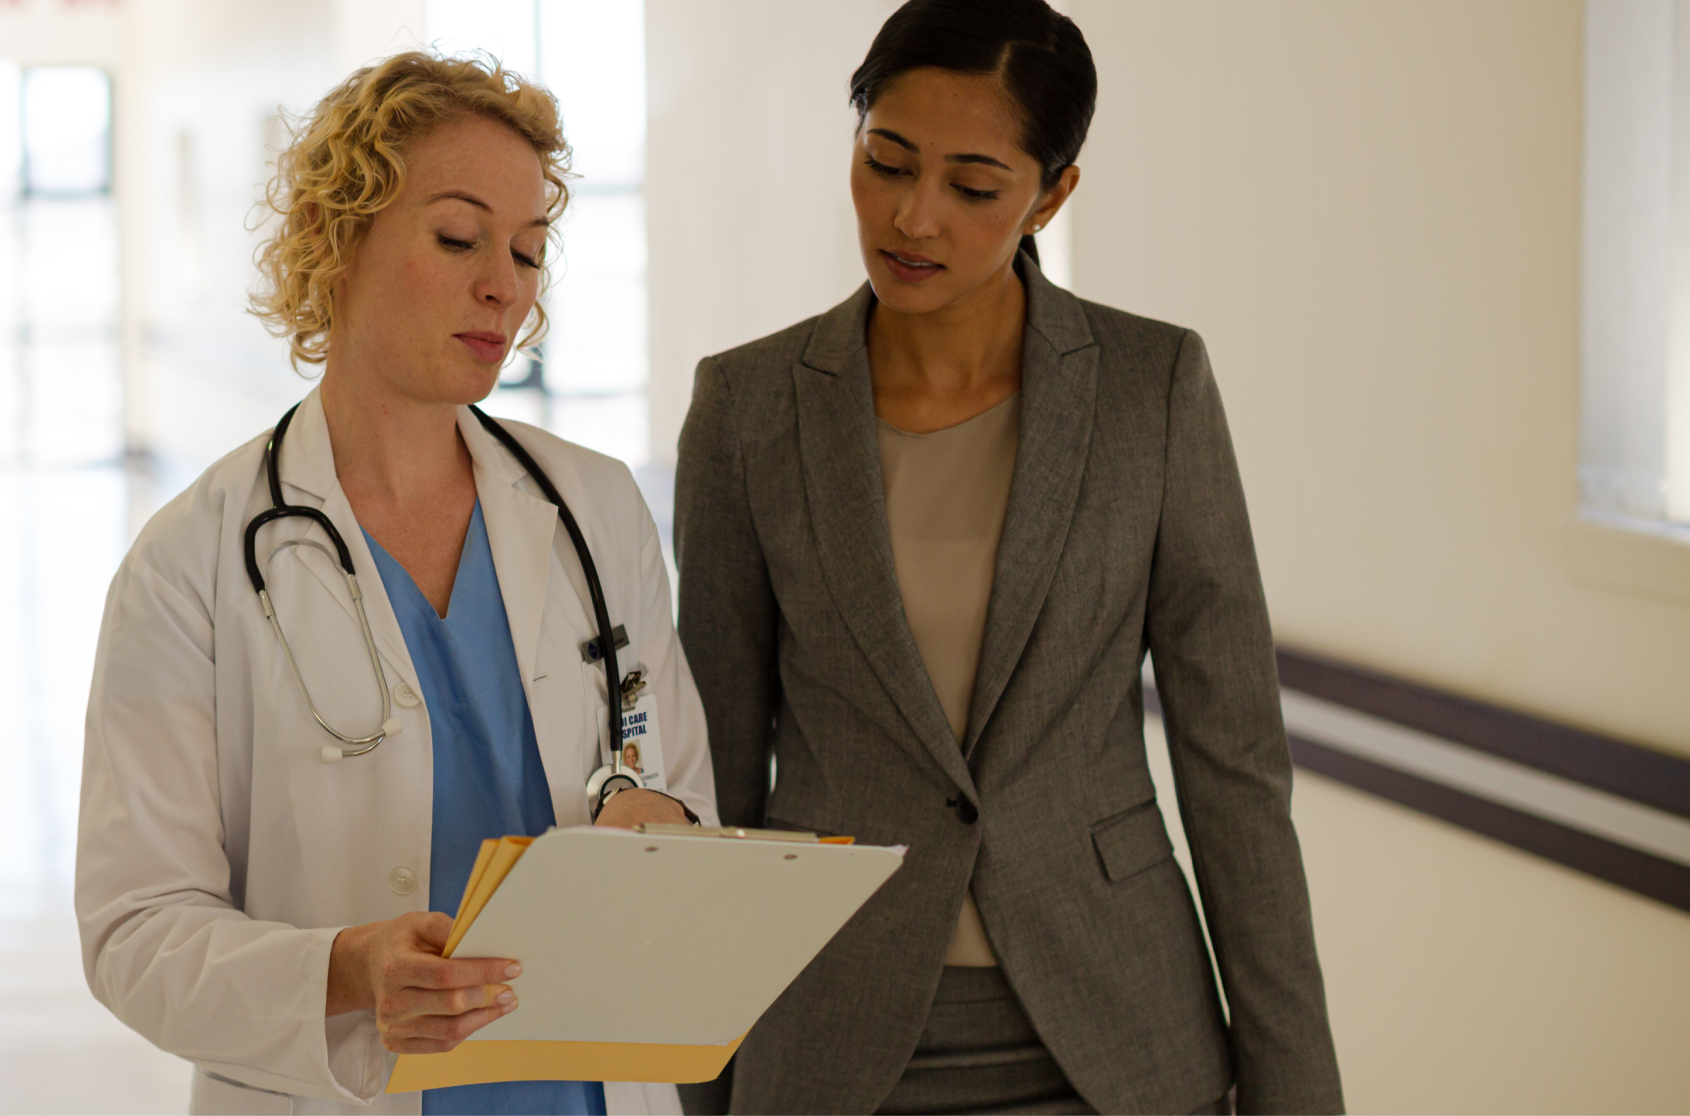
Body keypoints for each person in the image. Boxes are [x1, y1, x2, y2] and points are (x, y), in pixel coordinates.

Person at [672, 2, 1342, 1113]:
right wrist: (700, 1086)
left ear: (1053, 193)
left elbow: (1236, 772)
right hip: (830, 1029)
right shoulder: (747, 407)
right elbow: (719, 776)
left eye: (973, 187)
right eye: (886, 162)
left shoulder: (1151, 387)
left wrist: (1298, 1095)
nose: (913, 216)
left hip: (1113, 1031)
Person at [75, 52, 717, 1116]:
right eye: (459, 237)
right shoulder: (190, 561)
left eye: (526, 249)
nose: (502, 284)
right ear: (337, 237)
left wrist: (658, 826)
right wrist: (346, 970)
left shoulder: (595, 514)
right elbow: (134, 931)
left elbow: (682, 789)